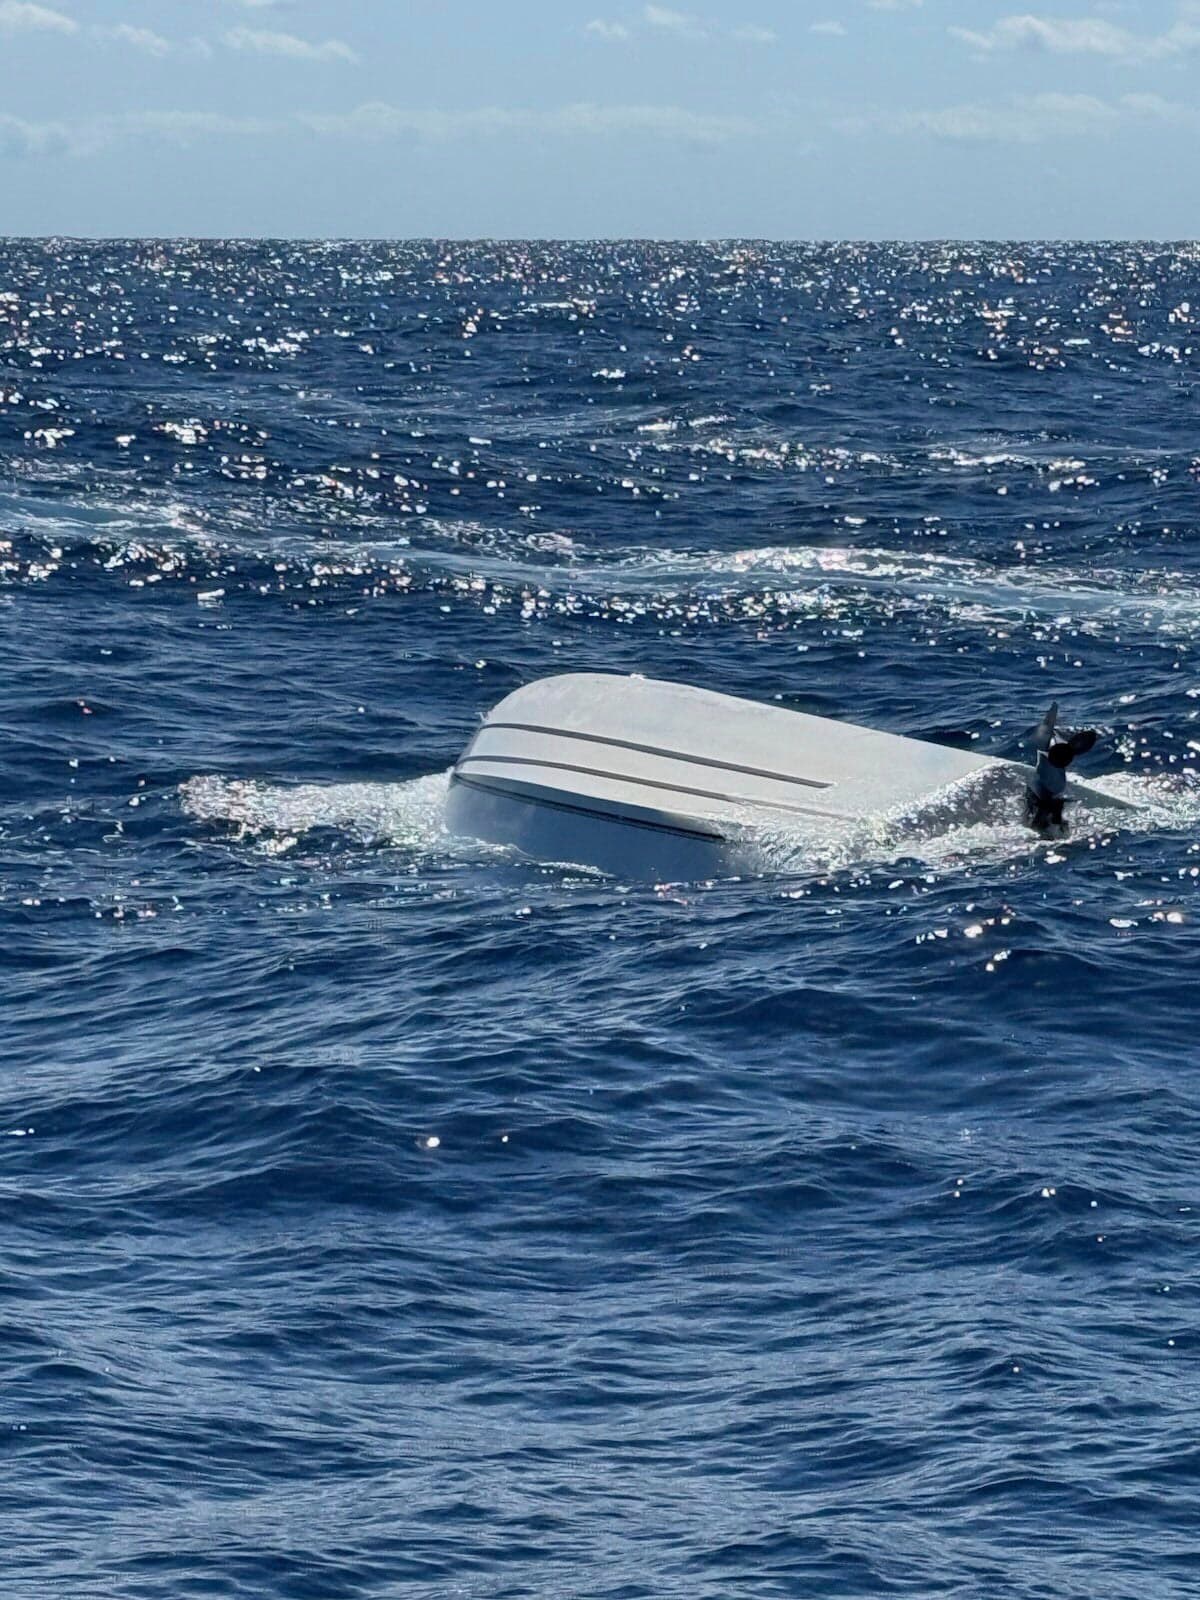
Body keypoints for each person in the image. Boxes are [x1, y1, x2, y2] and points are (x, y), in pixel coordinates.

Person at [1025, 702, 1098, 835]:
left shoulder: (1044, 756)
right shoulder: (1059, 783)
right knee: (1050, 809)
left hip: (1038, 793)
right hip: (1045, 795)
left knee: (1041, 811)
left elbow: (1047, 728)